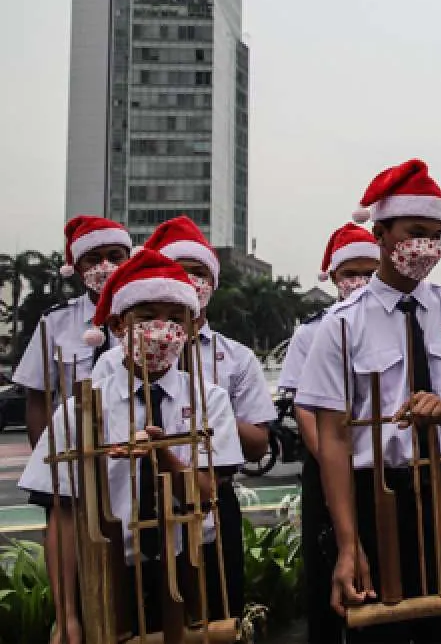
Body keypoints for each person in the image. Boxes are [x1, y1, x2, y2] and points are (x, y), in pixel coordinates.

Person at [296, 159, 441, 644]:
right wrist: (348, 543)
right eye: (416, 231)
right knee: (377, 631)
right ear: (382, 233)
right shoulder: (342, 325)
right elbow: (334, 441)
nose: (427, 246)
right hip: (374, 493)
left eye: (437, 233)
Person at [19, 250, 242, 642]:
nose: (162, 329)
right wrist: (67, 615)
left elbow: (207, 495)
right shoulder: (81, 411)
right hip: (109, 572)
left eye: (175, 318)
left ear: (191, 328)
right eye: (148, 316)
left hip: (190, 568)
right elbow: (64, 519)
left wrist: (164, 455)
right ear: (120, 324)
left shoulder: (210, 401)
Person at [138, 215, 275, 618]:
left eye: (197, 273)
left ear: (212, 284)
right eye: (177, 271)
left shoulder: (234, 357)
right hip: (137, 501)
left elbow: (257, 444)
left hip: (212, 495)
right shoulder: (123, 354)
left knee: (216, 611)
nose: (188, 281)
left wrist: (211, 420)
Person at [277, 222, 378, 644]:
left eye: (369, 272)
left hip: (378, 467)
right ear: (335, 278)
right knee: (329, 575)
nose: (360, 283)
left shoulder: (392, 320)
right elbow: (304, 406)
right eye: (350, 274)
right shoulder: (313, 330)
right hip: (329, 466)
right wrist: (335, 461)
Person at [14, 216, 131, 446]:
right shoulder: (55, 320)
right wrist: (46, 461)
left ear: (130, 260)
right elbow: (38, 398)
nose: (105, 266)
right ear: (77, 268)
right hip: (75, 445)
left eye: (115, 257)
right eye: (93, 259)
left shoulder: (149, 317)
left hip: (133, 444)